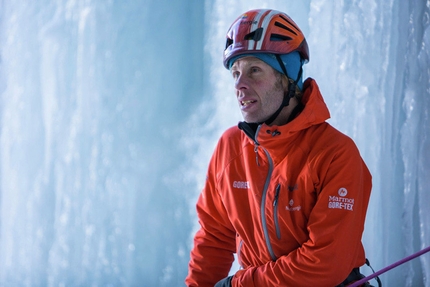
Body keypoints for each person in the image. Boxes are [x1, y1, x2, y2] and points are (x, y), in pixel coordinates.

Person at [186, 8, 373, 287]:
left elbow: (325, 264)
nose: (239, 84)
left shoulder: (335, 154)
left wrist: (240, 284)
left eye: (254, 70)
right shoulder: (229, 149)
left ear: (288, 75)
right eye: (235, 72)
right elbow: (214, 239)